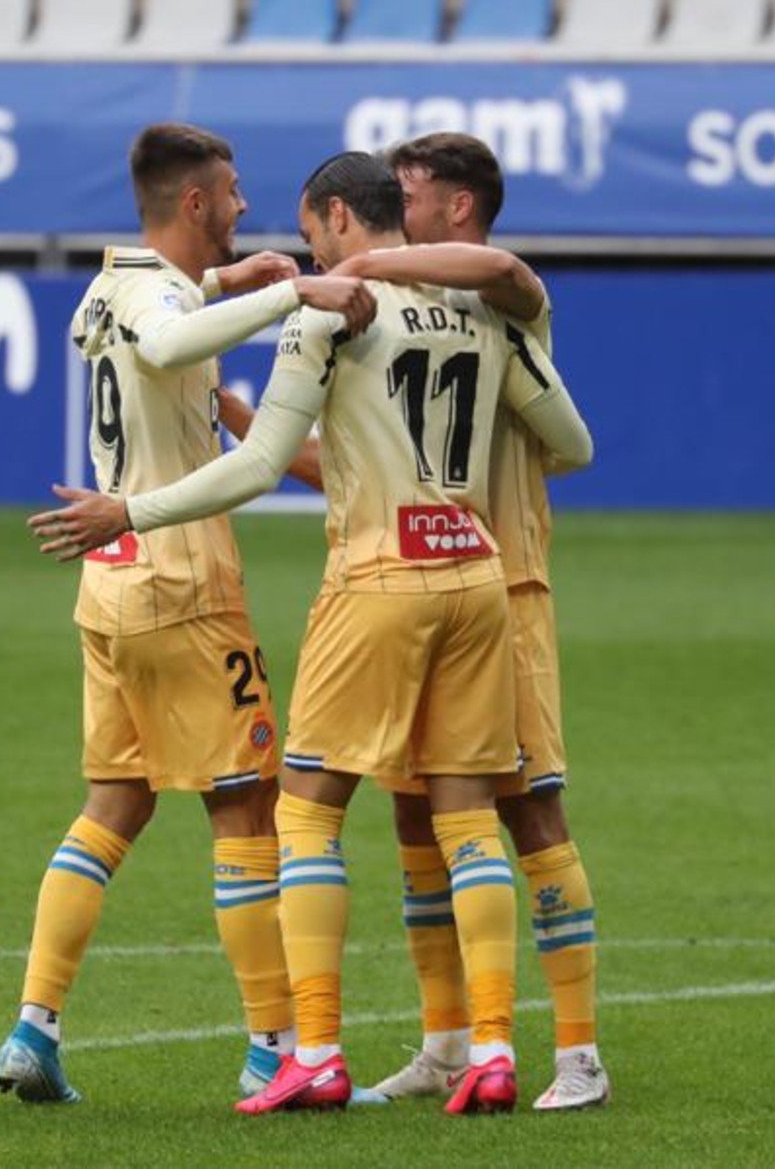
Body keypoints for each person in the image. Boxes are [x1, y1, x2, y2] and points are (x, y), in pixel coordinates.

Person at [34, 151, 594, 1117]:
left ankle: (317, 1051)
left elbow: (251, 471)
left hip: (376, 580)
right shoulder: (481, 309)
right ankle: (495, 1048)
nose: (298, 250)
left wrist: (129, 512)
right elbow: (573, 442)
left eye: (306, 232)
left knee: (303, 809)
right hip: (476, 576)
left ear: (337, 219)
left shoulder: (331, 311)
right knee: (465, 817)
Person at [0, 123, 376, 1107]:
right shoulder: (159, 303)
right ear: (195, 202)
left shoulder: (107, 282)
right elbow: (164, 338)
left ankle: (33, 1025)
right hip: (182, 586)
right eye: (233, 193)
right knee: (246, 806)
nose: (245, 206)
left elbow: (156, 318)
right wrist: (291, 290)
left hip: (109, 588)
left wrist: (228, 285)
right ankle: (272, 1046)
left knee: (113, 803)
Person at [241, 131, 608, 1110]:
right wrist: (253, 430)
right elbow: (358, 468)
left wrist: (350, 266)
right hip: (444, 579)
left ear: (453, 205)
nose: (394, 210)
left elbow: (507, 286)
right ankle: (449, 1042)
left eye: (409, 195)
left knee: (526, 812)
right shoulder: (430, 318)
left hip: (505, 586)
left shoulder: (502, 309)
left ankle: (577, 1052)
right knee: (419, 814)